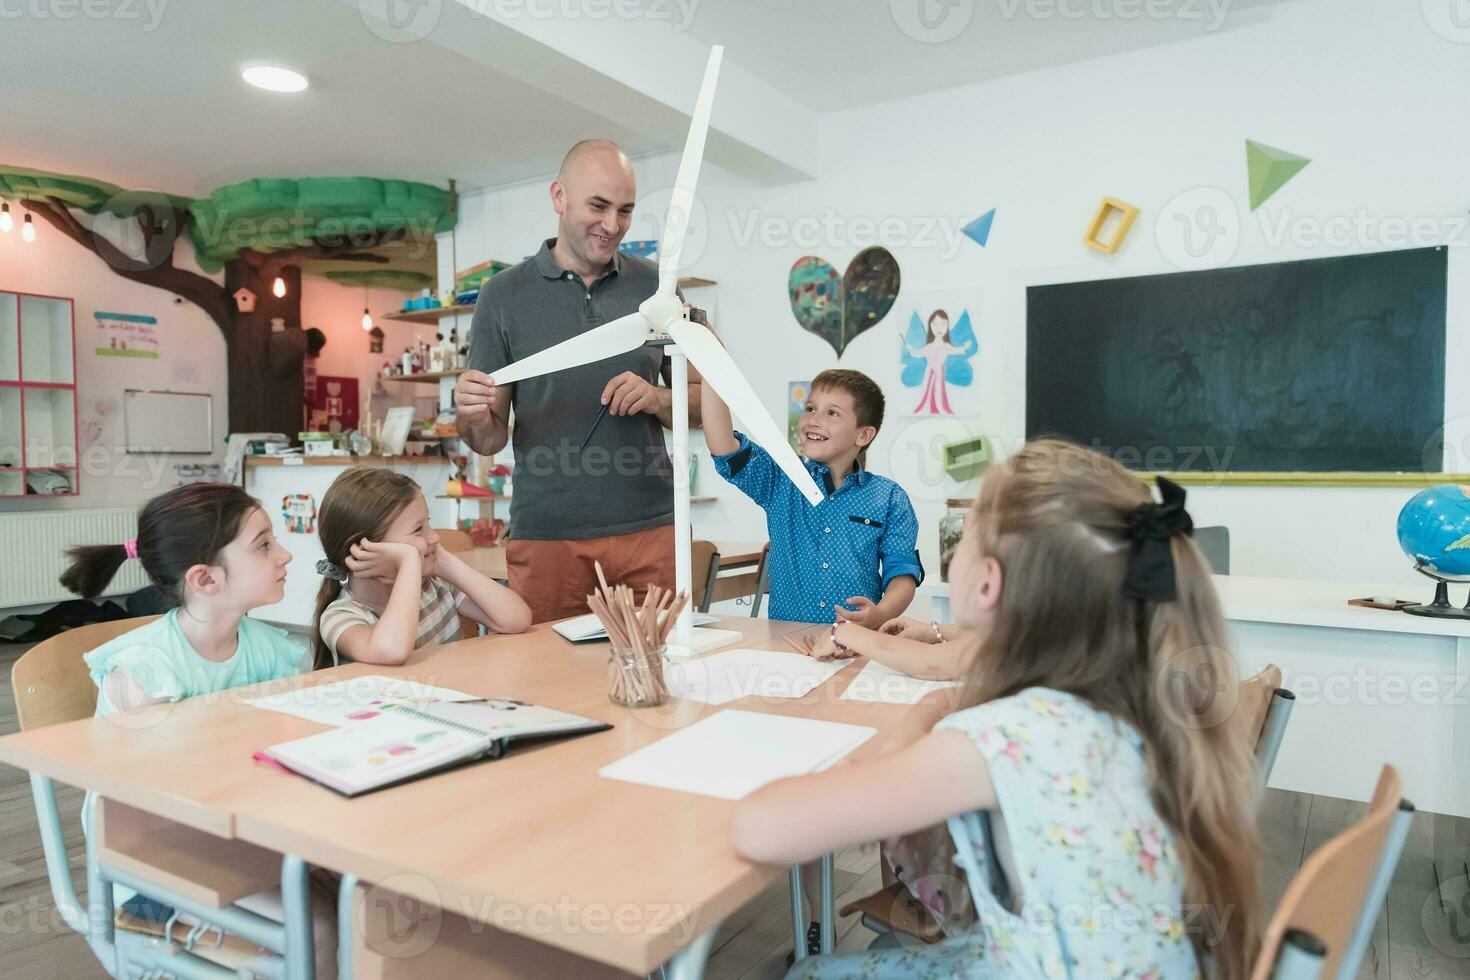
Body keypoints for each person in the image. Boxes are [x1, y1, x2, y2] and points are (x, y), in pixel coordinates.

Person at [731, 440, 1263, 979]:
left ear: (987, 583)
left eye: (962, 540)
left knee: (807, 975)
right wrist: (944, 702)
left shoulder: (1002, 738)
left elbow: (761, 829)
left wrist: (917, 725)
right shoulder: (1129, 693)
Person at [59, 483, 339, 979]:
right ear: (205, 580)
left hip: (242, 839)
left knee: (371, 898)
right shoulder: (144, 671)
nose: (285, 553)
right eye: (264, 544)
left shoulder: (275, 651)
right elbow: (137, 806)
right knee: (319, 930)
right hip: (153, 869)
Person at [706, 366, 923, 957]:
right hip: (789, 659)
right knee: (803, 789)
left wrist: (877, 615)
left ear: (865, 434)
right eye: (809, 408)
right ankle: (813, 923)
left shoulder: (887, 498)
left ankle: (899, 909)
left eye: (832, 412)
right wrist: (712, 372)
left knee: (879, 783)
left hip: (861, 656)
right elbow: (722, 445)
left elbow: (903, 575)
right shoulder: (781, 480)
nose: (813, 419)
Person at [453, 139, 700, 622]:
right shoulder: (502, 296)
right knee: (546, 681)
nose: (612, 226)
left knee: (662, 673)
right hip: (547, 535)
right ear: (559, 196)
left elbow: (708, 402)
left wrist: (656, 397)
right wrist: (471, 411)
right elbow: (486, 439)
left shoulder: (659, 289)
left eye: (625, 210)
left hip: (650, 529)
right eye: (599, 206)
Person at [311, 467, 531, 668]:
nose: (434, 536)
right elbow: (391, 651)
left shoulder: (435, 588)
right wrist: (408, 561)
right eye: (418, 529)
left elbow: (516, 619)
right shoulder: (341, 616)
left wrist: (444, 561)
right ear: (366, 549)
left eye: (429, 523)